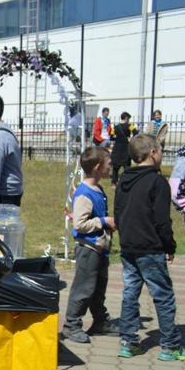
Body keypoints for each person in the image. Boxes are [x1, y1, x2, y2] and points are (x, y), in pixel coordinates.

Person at [115, 134, 185, 361]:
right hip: (150, 248)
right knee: (163, 296)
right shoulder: (157, 183)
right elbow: (162, 221)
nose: (163, 155)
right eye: (161, 151)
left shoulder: (124, 180)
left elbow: (118, 213)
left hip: (128, 247)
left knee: (130, 293)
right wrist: (169, 245)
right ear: (153, 153)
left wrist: (125, 236)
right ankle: (170, 345)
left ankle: (128, 341)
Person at [62, 147, 120, 344]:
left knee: (98, 288)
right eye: (109, 164)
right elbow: (80, 223)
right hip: (89, 249)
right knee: (83, 288)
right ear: (97, 167)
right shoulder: (84, 193)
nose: (111, 167)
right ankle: (72, 325)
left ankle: (100, 321)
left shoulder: (98, 189)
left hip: (100, 248)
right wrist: (104, 222)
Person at [110, 112, 136, 184]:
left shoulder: (115, 127)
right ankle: (127, 181)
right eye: (129, 119)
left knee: (115, 166)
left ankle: (114, 182)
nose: (129, 121)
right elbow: (136, 133)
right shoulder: (130, 126)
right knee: (127, 165)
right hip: (126, 147)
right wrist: (130, 138)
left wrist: (118, 139)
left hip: (117, 148)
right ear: (126, 118)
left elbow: (111, 137)